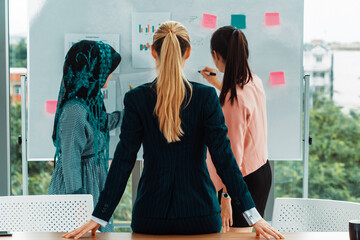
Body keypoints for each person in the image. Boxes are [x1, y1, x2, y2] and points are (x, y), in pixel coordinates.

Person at [63, 21, 284, 239]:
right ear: (187, 53)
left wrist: (100, 216)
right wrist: (253, 215)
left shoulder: (137, 98)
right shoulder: (206, 97)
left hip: (150, 217)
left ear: (152, 52)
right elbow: (224, 159)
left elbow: (123, 161)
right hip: (201, 216)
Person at [201, 26, 272, 233]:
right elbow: (241, 101)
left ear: (216, 55)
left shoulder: (233, 99)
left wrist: (226, 197)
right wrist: (217, 83)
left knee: (235, 237)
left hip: (241, 182)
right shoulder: (253, 81)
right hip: (260, 171)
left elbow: (232, 154)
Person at [48, 40, 122, 232]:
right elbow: (70, 160)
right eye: (107, 70)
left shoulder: (91, 101)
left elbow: (101, 123)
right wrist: (78, 203)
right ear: (93, 70)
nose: (110, 75)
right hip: (79, 189)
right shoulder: (74, 111)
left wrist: (128, 113)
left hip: (92, 185)